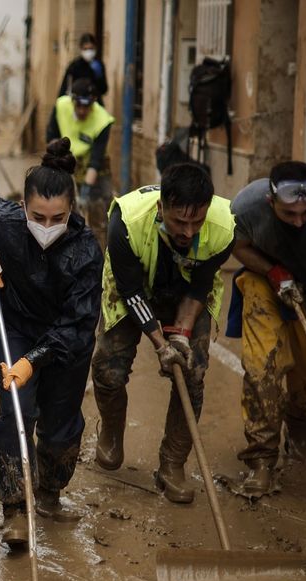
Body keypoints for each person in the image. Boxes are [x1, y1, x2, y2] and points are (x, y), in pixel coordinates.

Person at [0, 139, 103, 548]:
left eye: (57, 217)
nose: (46, 226)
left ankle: (49, 492)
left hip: (66, 346)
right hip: (16, 327)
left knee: (60, 431)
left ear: (72, 211)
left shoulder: (86, 251)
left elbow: (80, 326)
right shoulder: (3, 220)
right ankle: (14, 507)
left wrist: (33, 361)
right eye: (37, 216)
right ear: (23, 207)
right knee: (16, 416)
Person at [92, 163, 235, 503]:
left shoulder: (223, 228)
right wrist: (159, 344)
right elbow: (132, 294)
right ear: (160, 208)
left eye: (196, 222)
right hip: (134, 285)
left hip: (187, 288)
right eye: (178, 221)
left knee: (193, 372)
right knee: (108, 368)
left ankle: (172, 464)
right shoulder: (126, 222)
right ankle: (111, 430)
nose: (188, 231)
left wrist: (181, 337)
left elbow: (200, 288)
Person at [228, 162, 306, 493]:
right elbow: (238, 248)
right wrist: (273, 272)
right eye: (289, 214)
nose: (299, 220)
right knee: (263, 367)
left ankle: (300, 430)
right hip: (264, 282)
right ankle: (262, 458)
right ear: (271, 203)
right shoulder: (246, 206)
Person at [46, 78, 114, 223]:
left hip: (93, 163)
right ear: (72, 101)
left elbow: (96, 158)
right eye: (79, 106)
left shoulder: (103, 120)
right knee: (68, 203)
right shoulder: (61, 106)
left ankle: (102, 231)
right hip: (68, 157)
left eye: (87, 107)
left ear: (93, 102)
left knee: (100, 203)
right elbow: (51, 137)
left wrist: (86, 190)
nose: (82, 111)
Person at [60, 33, 107, 100]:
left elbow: (104, 90)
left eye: (91, 48)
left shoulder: (98, 66)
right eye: (85, 49)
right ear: (81, 49)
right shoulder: (74, 66)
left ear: (95, 48)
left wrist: (99, 77)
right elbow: (65, 88)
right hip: (78, 102)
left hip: (94, 102)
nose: (88, 52)